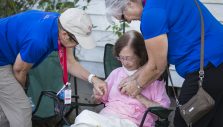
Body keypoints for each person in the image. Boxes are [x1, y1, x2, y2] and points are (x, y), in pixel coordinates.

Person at [105, 0, 223, 127]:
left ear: (129, 3)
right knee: (215, 120)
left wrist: (137, 85)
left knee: (184, 121)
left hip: (210, 64)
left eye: (123, 17)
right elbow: (158, 59)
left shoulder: (151, 14)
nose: (127, 21)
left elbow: (157, 67)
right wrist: (133, 76)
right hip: (217, 58)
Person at [0, 8, 107, 127]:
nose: (77, 45)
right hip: (2, 60)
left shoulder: (62, 23)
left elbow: (70, 63)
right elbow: (19, 70)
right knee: (21, 108)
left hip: (7, 54)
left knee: (7, 110)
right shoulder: (38, 40)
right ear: (65, 35)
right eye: (78, 41)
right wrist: (21, 91)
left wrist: (94, 79)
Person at [71, 30, 170, 127]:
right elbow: (97, 101)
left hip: (132, 122)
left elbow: (163, 112)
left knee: (85, 119)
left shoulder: (153, 79)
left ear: (141, 55)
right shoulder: (116, 73)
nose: (124, 62)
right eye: (121, 58)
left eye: (128, 58)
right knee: (85, 116)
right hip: (107, 118)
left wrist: (139, 96)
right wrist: (96, 97)